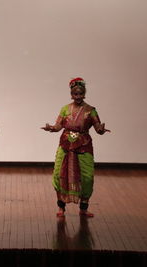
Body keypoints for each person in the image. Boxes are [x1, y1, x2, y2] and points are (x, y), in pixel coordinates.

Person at [41, 77, 110, 217]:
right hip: (66, 145)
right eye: (75, 94)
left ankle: (83, 208)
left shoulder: (91, 110)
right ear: (71, 94)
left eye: (80, 94)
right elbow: (58, 126)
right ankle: (61, 207)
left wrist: (101, 130)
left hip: (83, 146)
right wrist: (51, 128)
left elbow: (98, 128)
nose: (78, 96)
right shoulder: (65, 109)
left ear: (84, 94)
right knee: (59, 174)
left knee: (87, 177)